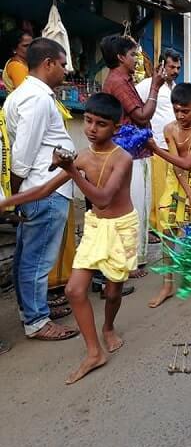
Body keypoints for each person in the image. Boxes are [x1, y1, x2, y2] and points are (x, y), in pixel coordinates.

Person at [2, 93, 139, 383]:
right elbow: (43, 190)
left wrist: (72, 171)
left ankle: (109, 327)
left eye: (100, 124)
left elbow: (102, 199)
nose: (91, 128)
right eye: (88, 121)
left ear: (116, 127)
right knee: (75, 291)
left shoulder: (122, 159)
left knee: (113, 293)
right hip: (95, 228)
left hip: (121, 228)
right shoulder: (82, 157)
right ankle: (94, 353)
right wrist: (6, 202)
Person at [3, 37, 79, 341]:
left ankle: (32, 310)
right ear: (47, 63)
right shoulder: (37, 98)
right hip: (44, 191)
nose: (65, 71)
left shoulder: (22, 95)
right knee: (37, 260)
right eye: (62, 65)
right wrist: (19, 195)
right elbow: (22, 154)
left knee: (28, 256)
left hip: (40, 191)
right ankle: (36, 320)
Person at [148, 83, 191, 308]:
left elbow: (188, 163)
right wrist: (187, 194)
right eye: (176, 110)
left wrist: (156, 150)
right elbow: (178, 167)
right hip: (176, 183)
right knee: (168, 232)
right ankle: (167, 284)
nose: (180, 115)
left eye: (185, 111)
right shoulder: (169, 129)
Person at [100, 34, 164, 278]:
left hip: (133, 152)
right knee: (132, 206)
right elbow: (142, 115)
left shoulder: (121, 80)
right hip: (129, 154)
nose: (137, 59)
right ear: (120, 57)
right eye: (133, 55)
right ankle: (128, 262)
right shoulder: (117, 81)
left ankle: (132, 259)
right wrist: (155, 87)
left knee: (137, 205)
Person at [136, 49, 181, 235]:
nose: (175, 70)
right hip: (155, 144)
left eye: (178, 67)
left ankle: (166, 223)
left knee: (169, 188)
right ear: (162, 65)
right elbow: (136, 110)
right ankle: (155, 227)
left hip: (172, 146)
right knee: (156, 189)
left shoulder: (175, 88)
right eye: (172, 66)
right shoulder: (147, 85)